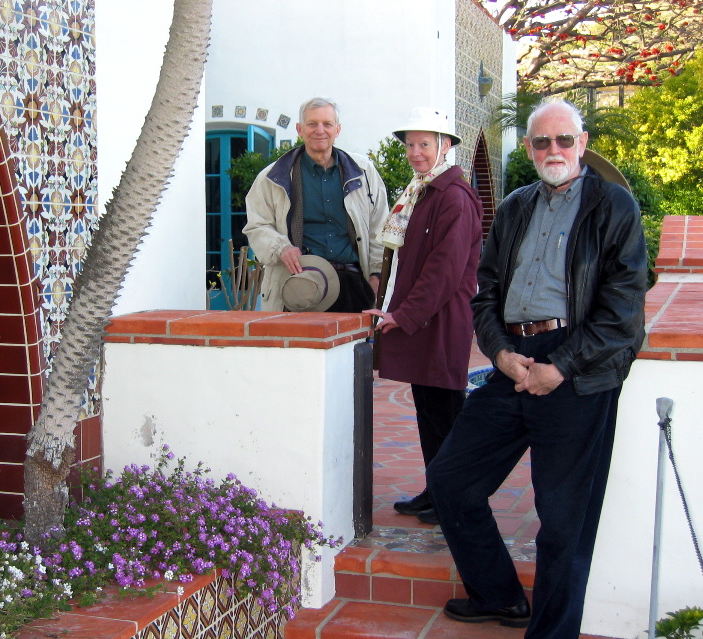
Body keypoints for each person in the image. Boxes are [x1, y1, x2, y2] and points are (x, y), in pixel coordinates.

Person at [425, 99, 647, 637]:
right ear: (527, 148)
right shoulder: (516, 206)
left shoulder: (613, 207)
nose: (554, 151)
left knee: (564, 518)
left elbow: (623, 314)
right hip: (513, 361)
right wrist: (499, 353)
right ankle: (498, 594)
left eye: (564, 140)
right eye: (542, 142)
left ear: (583, 143)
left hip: (578, 368)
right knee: (451, 480)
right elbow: (486, 292)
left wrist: (561, 367)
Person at [362, 107, 483, 525]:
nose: (415, 152)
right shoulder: (423, 191)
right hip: (424, 321)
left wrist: (405, 314)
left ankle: (453, 498)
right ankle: (437, 491)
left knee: (446, 415)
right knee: (429, 412)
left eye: (424, 144)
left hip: (441, 323)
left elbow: (444, 270)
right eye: (411, 144)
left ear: (445, 146)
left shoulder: (453, 196)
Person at [243, 97, 388, 312]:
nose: (320, 130)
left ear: (337, 130)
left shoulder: (364, 172)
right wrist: (281, 247)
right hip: (297, 286)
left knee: (356, 347)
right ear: (300, 129)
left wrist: (377, 274)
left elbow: (380, 226)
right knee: (299, 346)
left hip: (353, 287)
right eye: (312, 124)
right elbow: (256, 226)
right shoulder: (272, 177)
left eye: (327, 124)